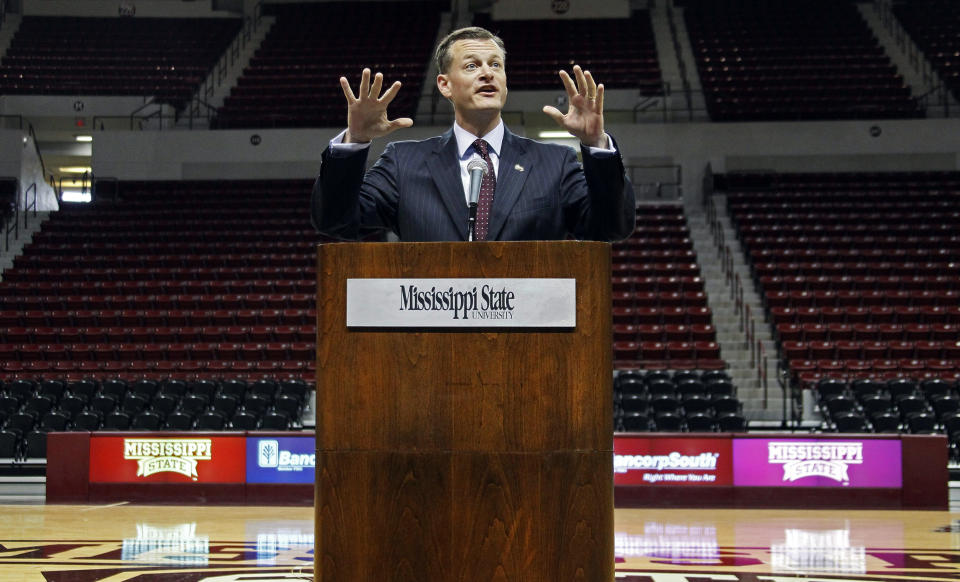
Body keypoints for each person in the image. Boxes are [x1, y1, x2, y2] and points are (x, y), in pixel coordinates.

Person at [310, 26, 635, 242]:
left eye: (496, 65)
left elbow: (611, 228)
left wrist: (595, 145)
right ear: (444, 85)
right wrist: (355, 142)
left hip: (529, 341)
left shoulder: (555, 162)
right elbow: (336, 221)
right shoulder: (403, 162)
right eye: (471, 66)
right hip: (434, 341)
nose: (487, 73)